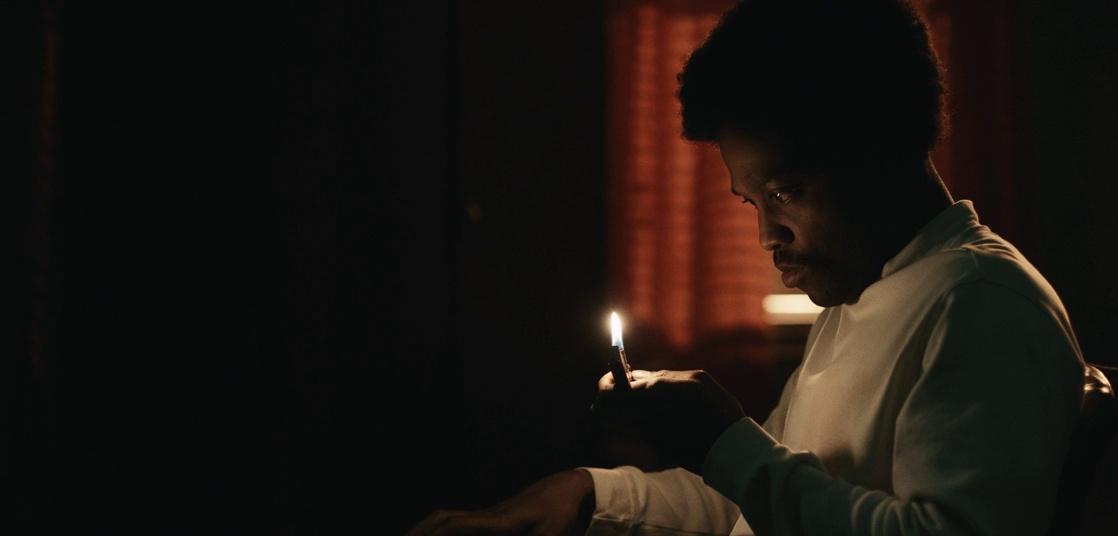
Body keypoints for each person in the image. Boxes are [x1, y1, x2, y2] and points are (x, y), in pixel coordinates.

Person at [413, 0, 1084, 534]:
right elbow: (761, 500)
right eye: (751, 200)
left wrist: (726, 441)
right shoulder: (863, 293)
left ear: (878, 149)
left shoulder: (981, 306)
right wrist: (591, 491)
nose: (767, 235)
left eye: (785, 193)